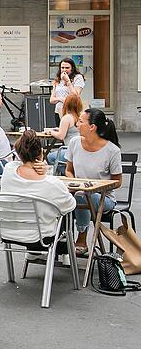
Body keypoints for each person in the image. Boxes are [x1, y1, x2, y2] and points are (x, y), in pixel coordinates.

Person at [0, 130, 76, 243]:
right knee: (62, 214)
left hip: (2, 231)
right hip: (37, 236)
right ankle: (64, 254)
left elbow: (19, 164)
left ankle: (33, 255)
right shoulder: (52, 183)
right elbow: (70, 205)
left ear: (18, 153)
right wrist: (45, 171)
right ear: (41, 153)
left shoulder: (9, 170)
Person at [65, 108, 122, 255]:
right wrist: (74, 182)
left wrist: (95, 187)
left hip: (104, 198)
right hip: (77, 191)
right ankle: (55, 239)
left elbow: (118, 181)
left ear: (92, 127)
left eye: (81, 121)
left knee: (82, 195)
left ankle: (82, 238)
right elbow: (68, 170)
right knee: (55, 195)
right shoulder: (74, 143)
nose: (77, 124)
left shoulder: (112, 151)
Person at [46, 93, 82, 173]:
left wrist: (51, 132)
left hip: (69, 150)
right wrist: (59, 129)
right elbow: (71, 130)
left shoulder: (66, 118)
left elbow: (61, 136)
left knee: (49, 157)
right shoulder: (79, 116)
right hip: (80, 149)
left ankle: (65, 173)